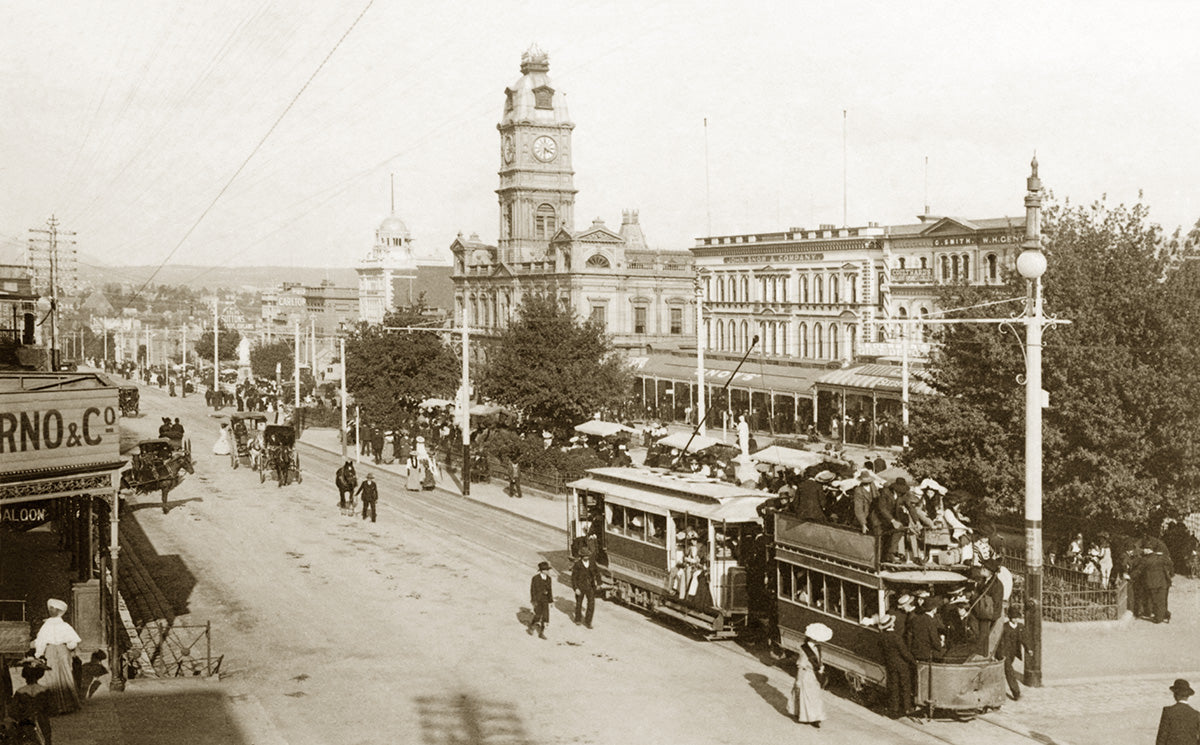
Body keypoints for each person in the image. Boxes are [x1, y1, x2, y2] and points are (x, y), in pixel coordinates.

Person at [33, 598, 81, 715]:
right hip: (58, 651)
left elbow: (41, 642)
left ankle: (61, 706)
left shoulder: (59, 625)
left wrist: (38, 653)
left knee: (57, 675)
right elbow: (72, 642)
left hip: (57, 651)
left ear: (59, 611)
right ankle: (63, 705)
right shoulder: (52, 626)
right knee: (59, 675)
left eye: (53, 609)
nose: (51, 611)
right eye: (51, 608)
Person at [878, 612, 916, 718]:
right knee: (905, 685)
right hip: (902, 665)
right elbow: (904, 653)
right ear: (891, 625)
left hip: (890, 664)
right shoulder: (896, 637)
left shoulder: (882, 637)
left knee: (894, 686)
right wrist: (913, 661)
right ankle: (907, 708)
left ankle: (894, 709)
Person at [10, 657, 52, 745]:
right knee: (44, 740)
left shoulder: (20, 691)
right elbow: (52, 708)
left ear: (25, 677)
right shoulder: (45, 690)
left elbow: (13, 711)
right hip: (42, 721)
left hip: (25, 723)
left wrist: (22, 716)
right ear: (39, 676)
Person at [788, 631, 826, 728]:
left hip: (814, 675)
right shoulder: (804, 650)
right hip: (806, 676)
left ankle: (814, 717)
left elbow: (819, 661)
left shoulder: (817, 648)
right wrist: (798, 681)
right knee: (807, 696)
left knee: (814, 697)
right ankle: (809, 717)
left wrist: (821, 667)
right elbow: (801, 666)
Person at [1157, 679, 1200, 745]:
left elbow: (1161, 738)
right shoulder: (1196, 714)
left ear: (1175, 695)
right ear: (1188, 696)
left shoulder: (1168, 711)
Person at [995, 607, 1025, 701]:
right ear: (1010, 617)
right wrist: (999, 653)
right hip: (1004, 652)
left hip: (1012, 653)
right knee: (1009, 671)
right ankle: (1016, 693)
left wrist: (1028, 649)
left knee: (1004, 671)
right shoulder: (1004, 627)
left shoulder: (1020, 627)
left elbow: (1024, 639)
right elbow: (999, 641)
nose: (1016, 619)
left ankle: (997, 690)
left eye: (1017, 617)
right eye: (1014, 617)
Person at [572, 547, 600, 629]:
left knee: (591, 604)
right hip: (580, 587)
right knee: (579, 604)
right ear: (581, 556)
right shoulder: (577, 564)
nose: (586, 557)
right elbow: (573, 578)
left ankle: (588, 621)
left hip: (590, 586)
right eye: (585, 556)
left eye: (587, 555)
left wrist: (599, 583)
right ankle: (578, 619)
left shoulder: (592, 563)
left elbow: (597, 572)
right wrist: (576, 588)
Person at [529, 561, 553, 639]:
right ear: (542, 570)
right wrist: (533, 600)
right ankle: (532, 626)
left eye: (548, 570)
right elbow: (532, 590)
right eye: (546, 570)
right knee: (538, 614)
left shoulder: (549, 579)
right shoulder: (535, 578)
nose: (548, 571)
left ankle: (541, 632)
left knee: (545, 616)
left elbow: (550, 590)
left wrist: (551, 601)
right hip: (537, 599)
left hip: (545, 599)